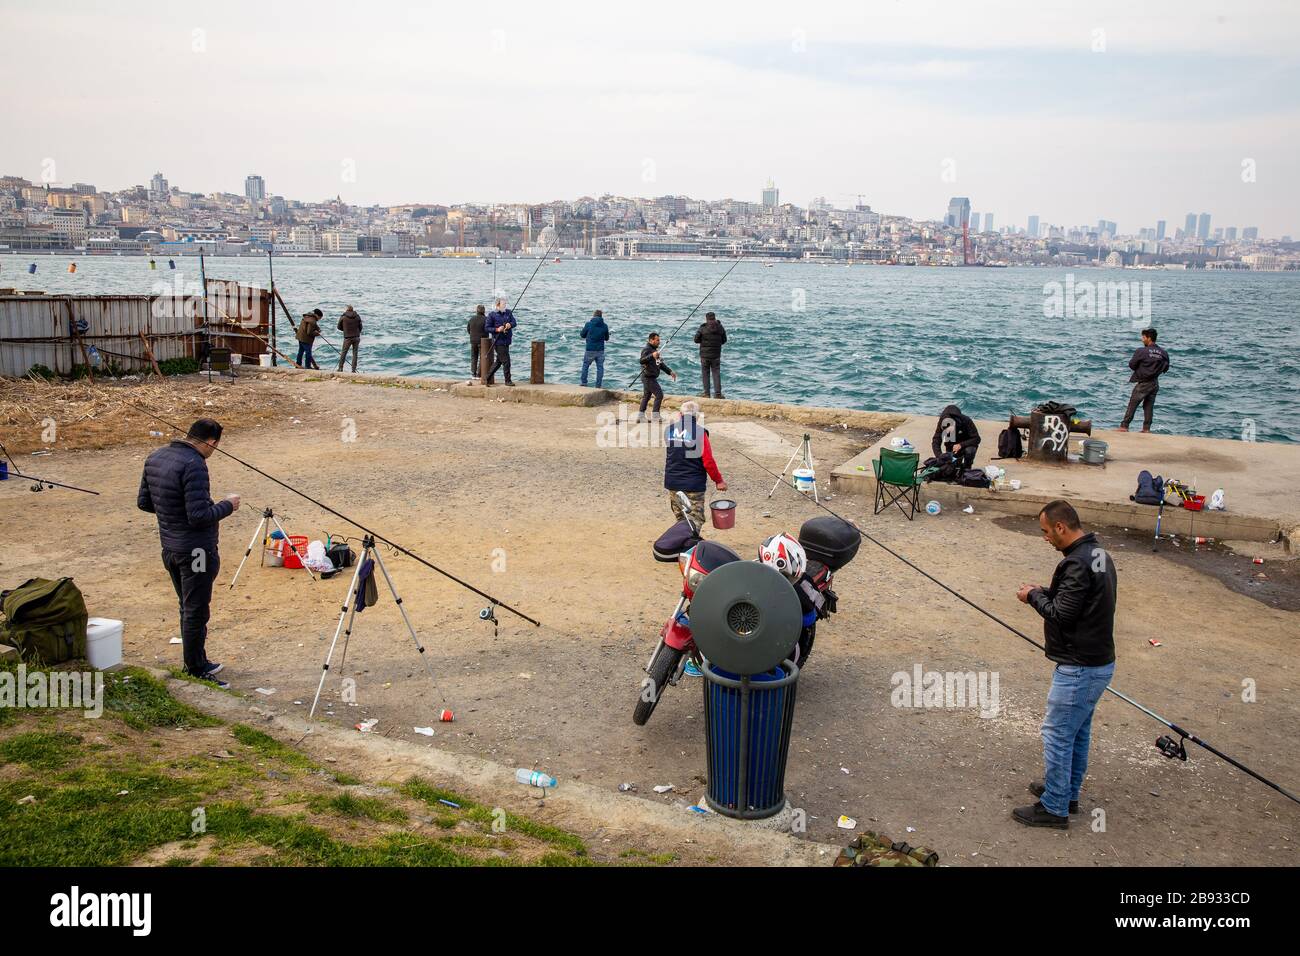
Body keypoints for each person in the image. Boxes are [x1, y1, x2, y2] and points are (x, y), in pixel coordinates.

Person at [1013, 500, 1117, 830]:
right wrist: (1045, 590)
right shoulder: (1097, 554)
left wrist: (1032, 596)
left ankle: (1054, 807)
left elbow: (1062, 613)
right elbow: (1082, 600)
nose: (1045, 537)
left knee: (1058, 734)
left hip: (1079, 666)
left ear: (1061, 527)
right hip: (1098, 661)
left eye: (1046, 531)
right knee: (1077, 732)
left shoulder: (1076, 563)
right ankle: (1066, 792)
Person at [136, 418, 241, 687]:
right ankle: (194, 669)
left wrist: (172, 513)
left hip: (170, 547)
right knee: (196, 610)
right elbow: (198, 516)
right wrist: (228, 505)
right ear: (211, 442)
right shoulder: (195, 464)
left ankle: (198, 659)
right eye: (215, 447)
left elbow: (145, 503)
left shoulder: (156, 456)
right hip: (196, 552)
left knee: (187, 605)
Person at [664, 401, 726, 528]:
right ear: (697, 416)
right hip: (693, 484)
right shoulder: (700, 432)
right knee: (695, 520)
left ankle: (680, 544)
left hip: (673, 481)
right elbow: (708, 461)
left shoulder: (669, 430)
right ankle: (690, 546)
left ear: (680, 415)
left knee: (681, 518)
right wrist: (718, 480)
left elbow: (675, 451)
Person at [1118, 327, 1170, 433]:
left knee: (1133, 403)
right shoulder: (1164, 353)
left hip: (1143, 383)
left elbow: (1132, 365)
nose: (1142, 339)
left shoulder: (1141, 351)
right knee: (1148, 406)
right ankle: (1146, 429)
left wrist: (1143, 370)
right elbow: (1166, 368)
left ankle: (1124, 426)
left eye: (1143, 337)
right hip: (1155, 383)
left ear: (1149, 338)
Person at [637, 332, 676, 422]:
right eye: (657, 340)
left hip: (650, 377)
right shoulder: (647, 349)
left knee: (646, 396)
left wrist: (670, 372)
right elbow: (641, 361)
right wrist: (652, 356)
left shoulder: (654, 350)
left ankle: (640, 417)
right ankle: (655, 416)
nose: (659, 342)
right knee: (659, 395)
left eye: (659, 340)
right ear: (651, 340)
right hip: (648, 377)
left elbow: (660, 364)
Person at [932, 403, 981, 470]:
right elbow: (936, 441)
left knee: (970, 451)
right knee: (951, 468)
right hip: (951, 447)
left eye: (949, 430)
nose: (948, 432)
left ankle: (967, 466)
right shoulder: (942, 421)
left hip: (966, 445)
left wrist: (961, 445)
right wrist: (939, 456)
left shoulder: (966, 421)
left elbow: (977, 439)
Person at [694, 311, 728, 398]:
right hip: (716, 355)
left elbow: (696, 340)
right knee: (716, 373)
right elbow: (724, 340)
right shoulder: (720, 327)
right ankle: (718, 394)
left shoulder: (703, 328)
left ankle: (706, 393)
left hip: (704, 356)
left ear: (706, 318)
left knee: (705, 374)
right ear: (714, 318)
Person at [485, 297, 517, 386]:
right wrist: (497, 329)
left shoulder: (508, 312)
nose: (505, 306)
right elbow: (487, 328)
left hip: (507, 341)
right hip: (498, 342)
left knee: (499, 362)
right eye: (503, 305)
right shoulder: (492, 315)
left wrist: (509, 324)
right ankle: (507, 380)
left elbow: (514, 322)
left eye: (505, 304)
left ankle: (487, 378)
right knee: (506, 361)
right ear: (497, 305)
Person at [579, 309, 610, 387]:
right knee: (600, 368)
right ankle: (598, 385)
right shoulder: (605, 326)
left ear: (593, 315)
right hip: (600, 350)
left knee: (585, 366)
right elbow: (607, 338)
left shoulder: (588, 324)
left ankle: (584, 383)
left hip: (590, 349)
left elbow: (582, 335)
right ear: (601, 316)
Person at [336, 306, 362, 372]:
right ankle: (353, 370)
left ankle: (340, 368)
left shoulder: (343, 317)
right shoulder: (357, 316)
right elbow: (360, 327)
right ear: (352, 310)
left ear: (347, 310)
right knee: (355, 353)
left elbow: (338, 327)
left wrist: (345, 330)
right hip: (356, 337)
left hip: (347, 337)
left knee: (344, 353)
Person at [467, 304, 488, 381]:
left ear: (476, 311)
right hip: (483, 341)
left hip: (473, 341)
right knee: (482, 358)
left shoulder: (471, 319)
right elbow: (488, 329)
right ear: (484, 311)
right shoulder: (486, 319)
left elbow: (468, 329)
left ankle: (473, 374)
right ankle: (479, 374)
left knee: (474, 357)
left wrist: (472, 336)